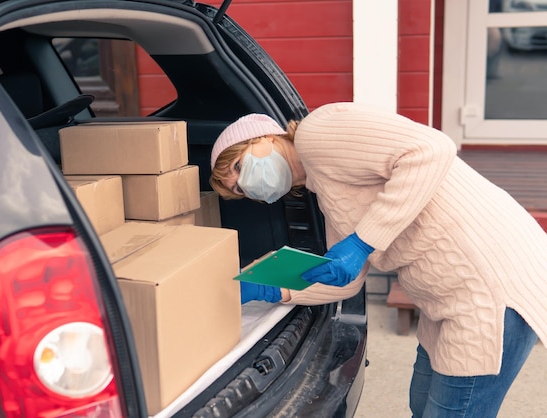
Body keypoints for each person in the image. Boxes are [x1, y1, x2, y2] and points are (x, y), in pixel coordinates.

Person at [209, 103, 547, 418]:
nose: (244, 184)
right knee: (422, 402)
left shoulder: (318, 132)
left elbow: (430, 149)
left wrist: (362, 241)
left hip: (490, 286)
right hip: (447, 301)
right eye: (237, 188)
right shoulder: (325, 191)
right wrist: (275, 289)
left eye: (238, 166)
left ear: (265, 136)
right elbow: (348, 281)